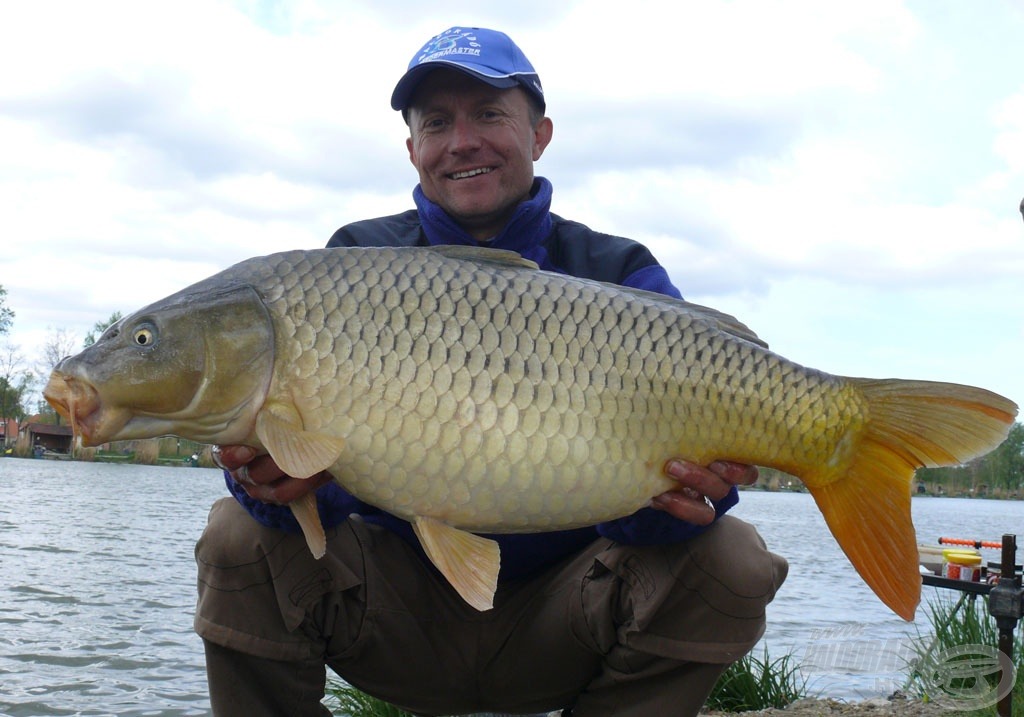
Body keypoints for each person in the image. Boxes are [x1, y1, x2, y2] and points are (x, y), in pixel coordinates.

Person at [196, 26, 787, 717]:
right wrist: (277, 488)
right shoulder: (354, 264)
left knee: (732, 555)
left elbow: (693, 503)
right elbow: (331, 504)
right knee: (236, 535)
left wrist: (683, 504)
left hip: (566, 622)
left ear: (540, 133)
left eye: (488, 114)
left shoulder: (620, 275)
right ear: (412, 149)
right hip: (396, 621)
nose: (461, 140)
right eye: (437, 122)